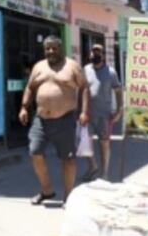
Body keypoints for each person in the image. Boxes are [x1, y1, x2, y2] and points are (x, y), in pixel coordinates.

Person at [19, 35, 89, 205]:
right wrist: (23, 107)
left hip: (64, 119)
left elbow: (84, 87)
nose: (50, 51)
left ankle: (68, 197)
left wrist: (84, 112)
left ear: (60, 48)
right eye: (47, 48)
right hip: (41, 119)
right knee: (35, 152)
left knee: (69, 159)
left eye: (54, 48)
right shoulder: (38, 67)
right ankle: (46, 190)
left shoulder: (71, 66)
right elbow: (30, 87)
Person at [82, 44, 123, 181]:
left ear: (103, 55)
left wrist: (119, 110)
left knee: (104, 143)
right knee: (85, 142)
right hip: (88, 113)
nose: (95, 54)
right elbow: (83, 90)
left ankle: (104, 174)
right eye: (93, 52)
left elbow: (118, 91)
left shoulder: (110, 72)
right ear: (90, 55)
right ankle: (93, 166)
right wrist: (81, 111)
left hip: (104, 115)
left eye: (98, 52)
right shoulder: (86, 69)